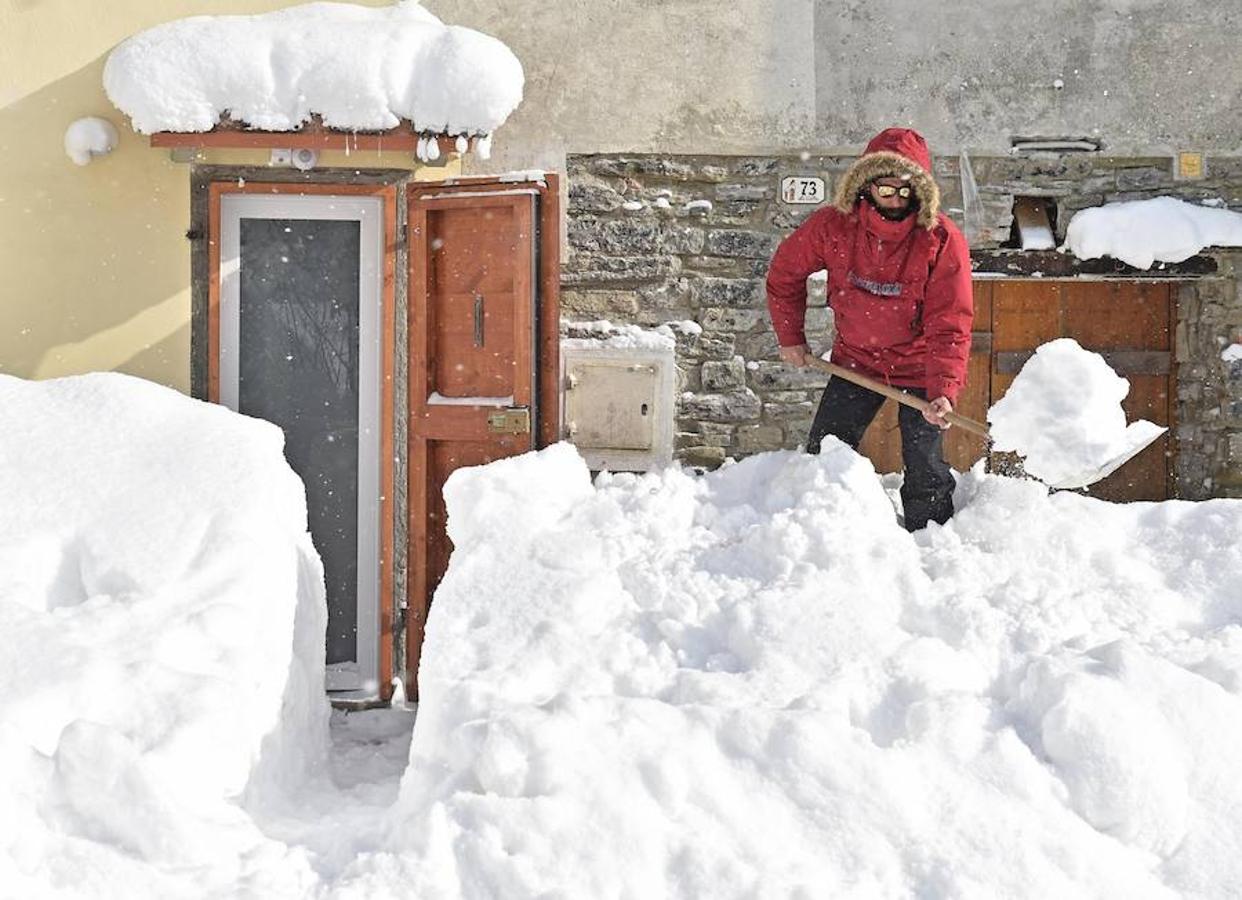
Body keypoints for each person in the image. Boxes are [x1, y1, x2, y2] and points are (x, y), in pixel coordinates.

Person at [766, 127, 973, 530]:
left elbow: (951, 321)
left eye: (905, 190)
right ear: (865, 185)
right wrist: (791, 338)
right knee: (825, 452)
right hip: (856, 362)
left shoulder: (941, 239)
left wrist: (944, 390)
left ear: (920, 191)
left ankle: (931, 543)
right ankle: (820, 531)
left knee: (925, 467)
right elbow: (785, 275)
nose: (895, 199)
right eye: (885, 189)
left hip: (917, 367)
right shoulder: (833, 226)